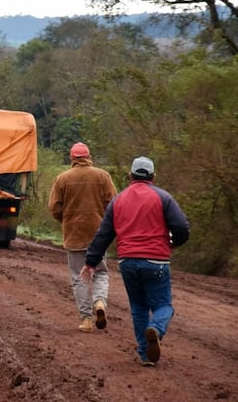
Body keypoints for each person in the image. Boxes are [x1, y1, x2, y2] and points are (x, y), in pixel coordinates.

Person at [80, 156, 190, 367]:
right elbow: (182, 227)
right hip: (156, 260)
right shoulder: (163, 198)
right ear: (153, 176)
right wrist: (174, 243)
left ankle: (145, 354)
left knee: (139, 307)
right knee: (163, 305)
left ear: (130, 175)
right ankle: (156, 329)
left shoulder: (118, 200)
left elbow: (104, 234)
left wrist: (91, 262)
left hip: (127, 261)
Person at [49, 142, 118, 333]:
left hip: (74, 234)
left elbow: (54, 207)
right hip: (99, 236)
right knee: (101, 273)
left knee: (79, 277)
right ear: (89, 157)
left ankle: (87, 319)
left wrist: (65, 220)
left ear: (72, 158)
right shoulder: (103, 176)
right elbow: (113, 204)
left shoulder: (62, 178)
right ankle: (100, 303)